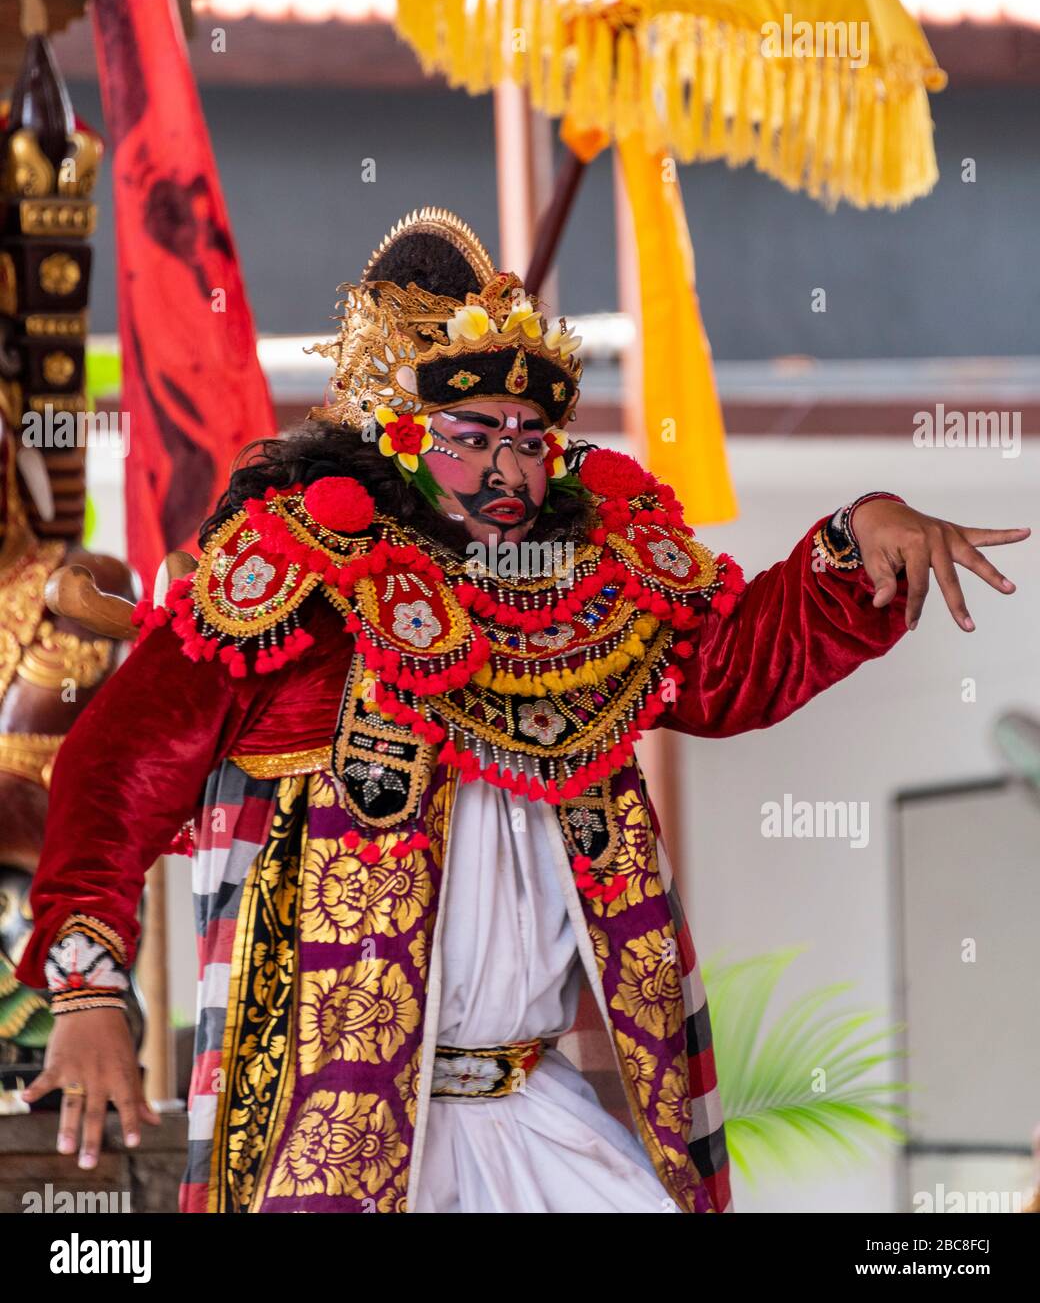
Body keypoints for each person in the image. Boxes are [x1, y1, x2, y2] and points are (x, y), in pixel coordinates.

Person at [16, 209, 1028, 1213]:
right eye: (472, 438)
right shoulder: (300, 570)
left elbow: (733, 670)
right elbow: (119, 767)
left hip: (542, 1108)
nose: (508, 472)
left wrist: (859, 538)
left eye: (529, 439)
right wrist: (88, 992)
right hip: (335, 1125)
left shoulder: (598, 579)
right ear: (397, 432)